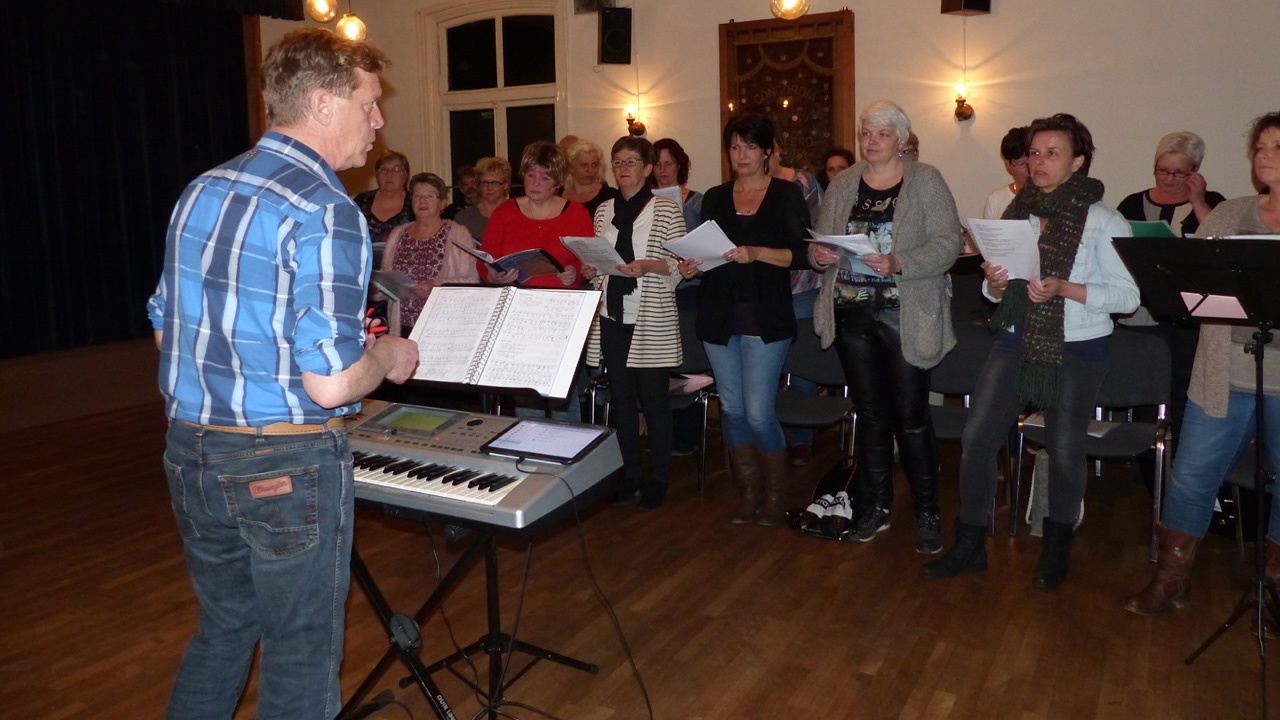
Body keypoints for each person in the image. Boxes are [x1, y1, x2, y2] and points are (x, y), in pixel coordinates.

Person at [146, 28, 419, 719]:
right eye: (369, 102)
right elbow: (332, 383)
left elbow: (165, 329)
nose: (378, 120)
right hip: (283, 464)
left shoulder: (203, 188)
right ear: (324, 103)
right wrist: (389, 356)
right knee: (301, 657)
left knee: (223, 631)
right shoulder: (326, 208)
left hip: (189, 451)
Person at [921, 114, 1139, 588]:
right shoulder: (1015, 214)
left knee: (1064, 448)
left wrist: (1066, 288)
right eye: (1035, 153)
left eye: (1052, 153)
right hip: (1016, 338)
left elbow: (1128, 297)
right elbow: (996, 295)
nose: (1039, 162)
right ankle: (970, 542)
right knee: (978, 438)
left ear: (1078, 162)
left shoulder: (1103, 220)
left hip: (1078, 346)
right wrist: (995, 283)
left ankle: (1057, 544)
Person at [1124, 111, 1280, 617]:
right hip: (1225, 372)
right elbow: (1189, 283)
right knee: (1191, 475)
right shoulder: (1230, 214)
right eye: (1260, 147)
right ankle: (1171, 580)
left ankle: (1275, 585)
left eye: (1276, 148)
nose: (1263, 157)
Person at [810, 100, 963, 553]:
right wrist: (818, 255)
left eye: (881, 134)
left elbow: (949, 243)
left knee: (911, 417)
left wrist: (899, 261)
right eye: (866, 133)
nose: (871, 141)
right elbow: (820, 243)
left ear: (901, 140)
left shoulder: (925, 180)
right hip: (851, 311)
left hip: (905, 313)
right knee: (871, 414)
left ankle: (928, 511)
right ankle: (876, 506)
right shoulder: (843, 183)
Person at [677, 113, 810, 526]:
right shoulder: (715, 197)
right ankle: (749, 492)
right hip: (719, 313)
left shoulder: (786, 194)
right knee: (732, 409)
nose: (741, 155)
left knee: (757, 412)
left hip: (766, 315)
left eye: (750, 146)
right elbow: (708, 254)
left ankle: (776, 494)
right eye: (734, 147)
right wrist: (691, 266)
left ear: (767, 151)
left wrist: (757, 252)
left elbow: (803, 255)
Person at [583, 137, 685, 509]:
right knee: (621, 400)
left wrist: (648, 266)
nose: (623, 168)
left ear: (647, 168)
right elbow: (599, 259)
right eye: (617, 161)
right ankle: (631, 473)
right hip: (612, 314)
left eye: (631, 161)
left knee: (654, 401)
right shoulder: (603, 209)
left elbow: (680, 264)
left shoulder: (666, 209)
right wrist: (591, 269)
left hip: (649, 316)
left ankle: (659, 477)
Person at [1116, 132, 1227, 451]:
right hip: (1141, 314)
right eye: (1161, 169)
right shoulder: (1133, 203)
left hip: (1188, 317)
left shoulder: (1214, 203)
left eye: (1178, 172)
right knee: (1143, 391)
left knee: (1182, 389)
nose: (1167, 178)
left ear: (1195, 171)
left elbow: (1223, 250)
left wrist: (1198, 202)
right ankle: (1145, 458)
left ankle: (1179, 455)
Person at [483, 141, 593, 420]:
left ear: (558, 182)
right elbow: (485, 262)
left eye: (544, 177)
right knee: (525, 391)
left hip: (562, 314)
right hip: (518, 314)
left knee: (562, 394)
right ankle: (528, 445)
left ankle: (567, 446)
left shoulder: (577, 213)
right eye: (531, 175)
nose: (535, 182)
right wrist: (494, 275)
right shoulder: (504, 212)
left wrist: (574, 273)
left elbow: (587, 265)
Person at [772, 140, 824, 467]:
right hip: (768, 289)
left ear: (776, 151)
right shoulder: (747, 187)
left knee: (802, 364)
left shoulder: (802, 182)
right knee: (770, 366)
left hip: (803, 286)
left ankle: (802, 438)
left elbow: (815, 232)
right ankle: (774, 436)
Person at [382, 172, 480, 337]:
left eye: (429, 196)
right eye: (417, 195)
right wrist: (378, 287)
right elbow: (386, 281)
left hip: (442, 328)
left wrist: (435, 286)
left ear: (442, 203)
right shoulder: (397, 234)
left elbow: (472, 280)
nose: (422, 201)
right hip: (402, 327)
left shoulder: (458, 234)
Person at [353, 150, 413, 245]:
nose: (389, 174)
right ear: (377, 175)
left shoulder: (414, 203)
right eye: (383, 169)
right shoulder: (362, 201)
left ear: (405, 175)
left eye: (396, 169)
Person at [649, 137, 704, 233]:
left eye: (668, 164)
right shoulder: (643, 199)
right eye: (657, 164)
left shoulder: (696, 201)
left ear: (679, 165)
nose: (662, 169)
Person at [454, 156, 511, 242]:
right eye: (485, 183)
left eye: (495, 183)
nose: (489, 187)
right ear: (478, 185)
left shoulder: (518, 213)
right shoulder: (464, 217)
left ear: (506, 185)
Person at [561, 138, 621, 218]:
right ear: (571, 167)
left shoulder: (610, 196)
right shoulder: (559, 194)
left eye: (594, 165)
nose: (590, 170)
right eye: (584, 165)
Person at [982, 127, 1030, 219]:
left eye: (1032, 162)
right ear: (1008, 165)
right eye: (1021, 164)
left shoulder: (1052, 198)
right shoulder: (995, 199)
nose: (1029, 169)